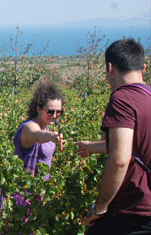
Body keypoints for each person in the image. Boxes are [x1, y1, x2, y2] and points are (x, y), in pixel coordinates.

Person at [83, 38, 151, 234]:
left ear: (110, 68)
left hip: (132, 212)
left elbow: (120, 158)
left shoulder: (122, 99)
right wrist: (93, 147)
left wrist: (100, 207)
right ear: (143, 68)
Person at [0, 81, 64, 232]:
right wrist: (52, 136)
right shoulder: (28, 127)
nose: (55, 115)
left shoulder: (49, 128)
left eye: (59, 112)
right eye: (50, 111)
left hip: (38, 193)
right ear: (38, 109)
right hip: (21, 194)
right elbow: (36, 135)